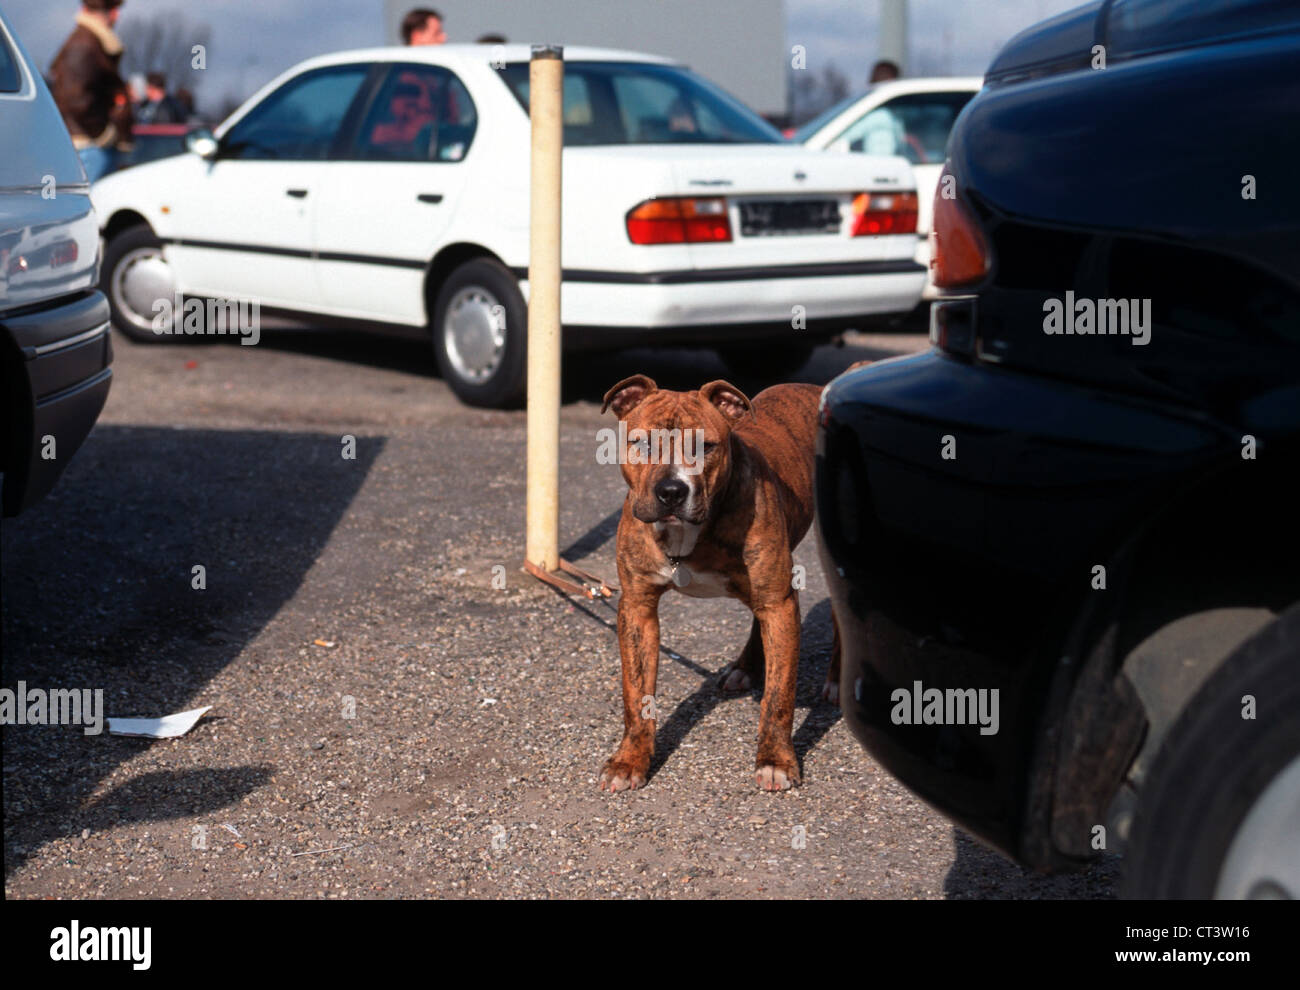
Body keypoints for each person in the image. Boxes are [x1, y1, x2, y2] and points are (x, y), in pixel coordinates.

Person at [49, 0, 134, 182]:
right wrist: (103, 133)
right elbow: (75, 99)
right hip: (90, 146)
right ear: (114, 13)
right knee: (91, 205)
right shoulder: (84, 45)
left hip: (90, 145)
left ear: (83, 9)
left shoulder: (88, 43)